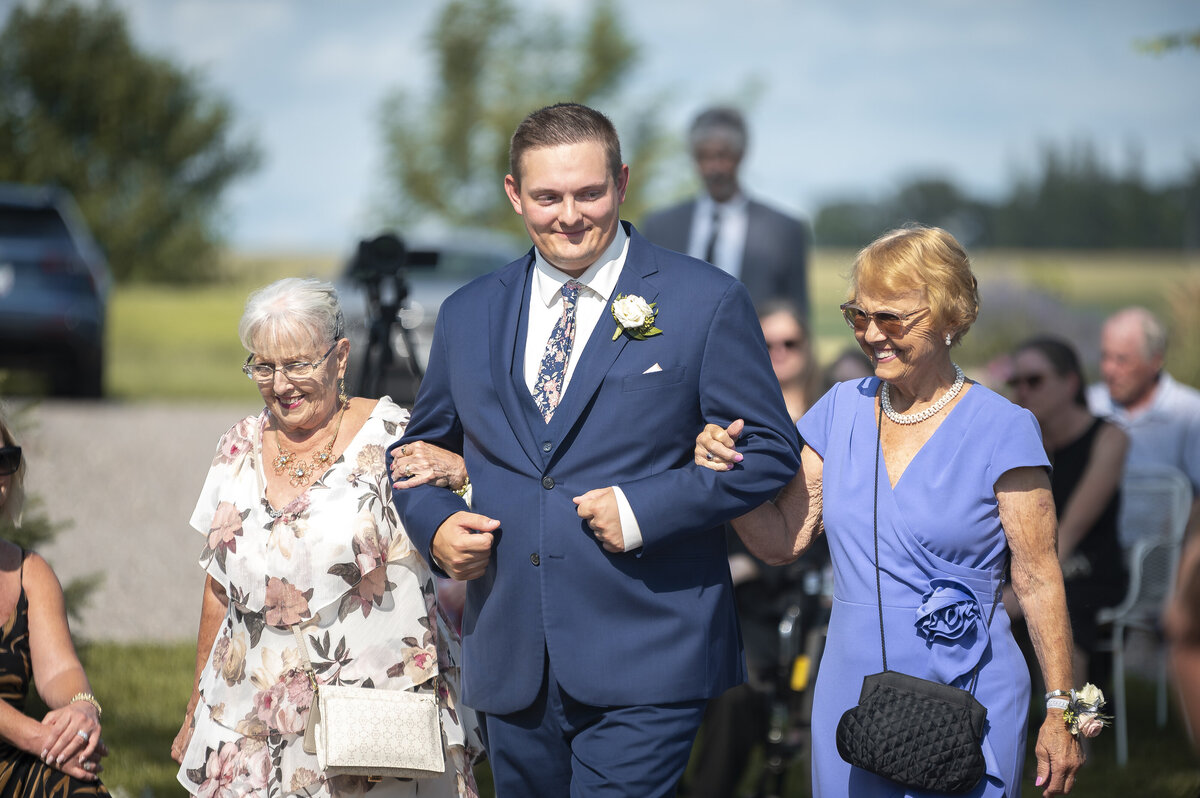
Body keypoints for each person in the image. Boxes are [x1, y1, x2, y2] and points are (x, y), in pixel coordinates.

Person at [387, 103, 801, 797]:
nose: (569, 215)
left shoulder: (705, 301)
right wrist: (437, 526)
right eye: (547, 197)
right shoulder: (467, 312)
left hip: (651, 648)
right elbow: (419, 451)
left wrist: (643, 509)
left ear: (623, 182)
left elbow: (767, 452)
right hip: (514, 653)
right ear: (515, 194)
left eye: (589, 193)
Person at [695, 225, 1084, 797]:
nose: (871, 334)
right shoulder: (839, 411)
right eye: (858, 316)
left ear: (950, 316)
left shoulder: (1005, 428)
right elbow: (782, 540)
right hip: (852, 684)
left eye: (892, 318)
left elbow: (1037, 575)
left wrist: (1062, 710)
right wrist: (721, 478)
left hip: (969, 687)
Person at [170, 278, 479, 798]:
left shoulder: (394, 437)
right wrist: (196, 705)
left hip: (377, 725)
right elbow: (218, 589)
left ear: (340, 357)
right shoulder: (237, 446)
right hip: (249, 720)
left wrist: (461, 470)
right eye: (263, 366)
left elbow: (470, 519)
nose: (281, 384)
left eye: (298, 364)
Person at [681, 300, 826, 798]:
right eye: (767, 344)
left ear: (809, 350)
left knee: (746, 686)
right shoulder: (724, 415)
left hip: (799, 585)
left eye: (791, 343)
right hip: (725, 578)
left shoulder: (828, 418)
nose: (780, 353)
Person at [1007, 336, 1129, 688]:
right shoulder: (1022, 441)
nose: (1023, 391)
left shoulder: (1108, 437)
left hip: (1088, 568)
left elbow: (1073, 527)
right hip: (1028, 566)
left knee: (1060, 611)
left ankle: (1073, 735)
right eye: (1016, 382)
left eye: (1035, 380)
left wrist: (1025, 586)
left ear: (1071, 382)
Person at [0, 413, 108, 795]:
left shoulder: (30, 572)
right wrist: (40, 738)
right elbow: (37, 740)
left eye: (2, 461)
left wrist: (81, 714)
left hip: (7, 763)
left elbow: (60, 670)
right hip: (24, 742)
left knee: (79, 787)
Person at [639, 106, 810, 316]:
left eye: (722, 156)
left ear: (741, 155)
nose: (714, 168)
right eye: (704, 157)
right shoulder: (660, 227)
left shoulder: (783, 231)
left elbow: (797, 316)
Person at [1086, 306, 1200, 538]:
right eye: (1105, 357)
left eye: (1122, 360)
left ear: (1155, 360)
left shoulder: (1189, 413)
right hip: (1096, 556)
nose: (1109, 369)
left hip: (1166, 560)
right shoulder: (1088, 405)